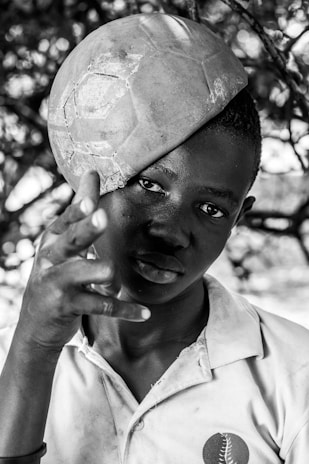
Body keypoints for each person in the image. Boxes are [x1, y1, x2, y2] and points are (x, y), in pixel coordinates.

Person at [0, 12, 308, 464]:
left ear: (239, 217)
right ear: (92, 175)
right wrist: (34, 348)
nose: (171, 231)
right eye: (149, 185)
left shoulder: (293, 373)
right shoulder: (15, 359)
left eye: (211, 209)